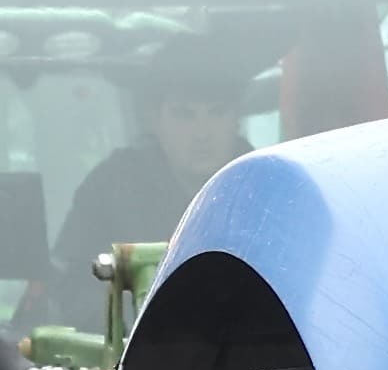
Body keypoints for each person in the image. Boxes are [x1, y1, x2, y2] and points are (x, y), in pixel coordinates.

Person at [56, 66, 250, 277]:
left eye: (217, 112)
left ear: (237, 119)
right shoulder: (111, 189)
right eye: (184, 115)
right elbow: (75, 288)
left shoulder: (270, 188)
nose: (202, 133)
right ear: (155, 121)